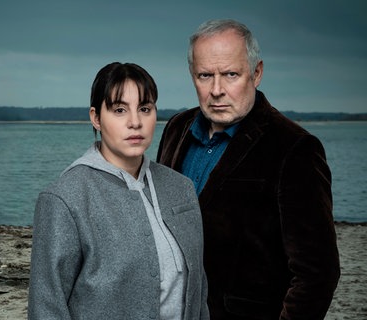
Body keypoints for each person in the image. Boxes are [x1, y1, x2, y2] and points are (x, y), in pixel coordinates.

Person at [157, 19, 340, 319]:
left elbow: (318, 274)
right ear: (193, 76)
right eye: (205, 75)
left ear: (256, 73)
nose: (217, 90)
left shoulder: (295, 148)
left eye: (231, 74)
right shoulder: (177, 128)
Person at [28, 62, 209, 319]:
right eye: (120, 110)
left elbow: (198, 294)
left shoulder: (181, 188)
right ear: (96, 118)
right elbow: (47, 307)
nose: (135, 122)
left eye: (145, 109)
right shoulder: (64, 199)